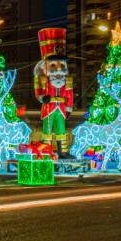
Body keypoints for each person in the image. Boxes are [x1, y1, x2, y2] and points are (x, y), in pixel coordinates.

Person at [33, 28, 74, 158]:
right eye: (53, 65)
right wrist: (42, 98)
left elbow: (69, 95)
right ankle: (47, 152)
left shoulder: (67, 80)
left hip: (61, 109)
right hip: (48, 108)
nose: (58, 69)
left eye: (61, 65)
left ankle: (63, 152)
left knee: (61, 130)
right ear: (45, 65)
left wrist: (68, 108)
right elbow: (38, 92)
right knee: (47, 131)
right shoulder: (41, 79)